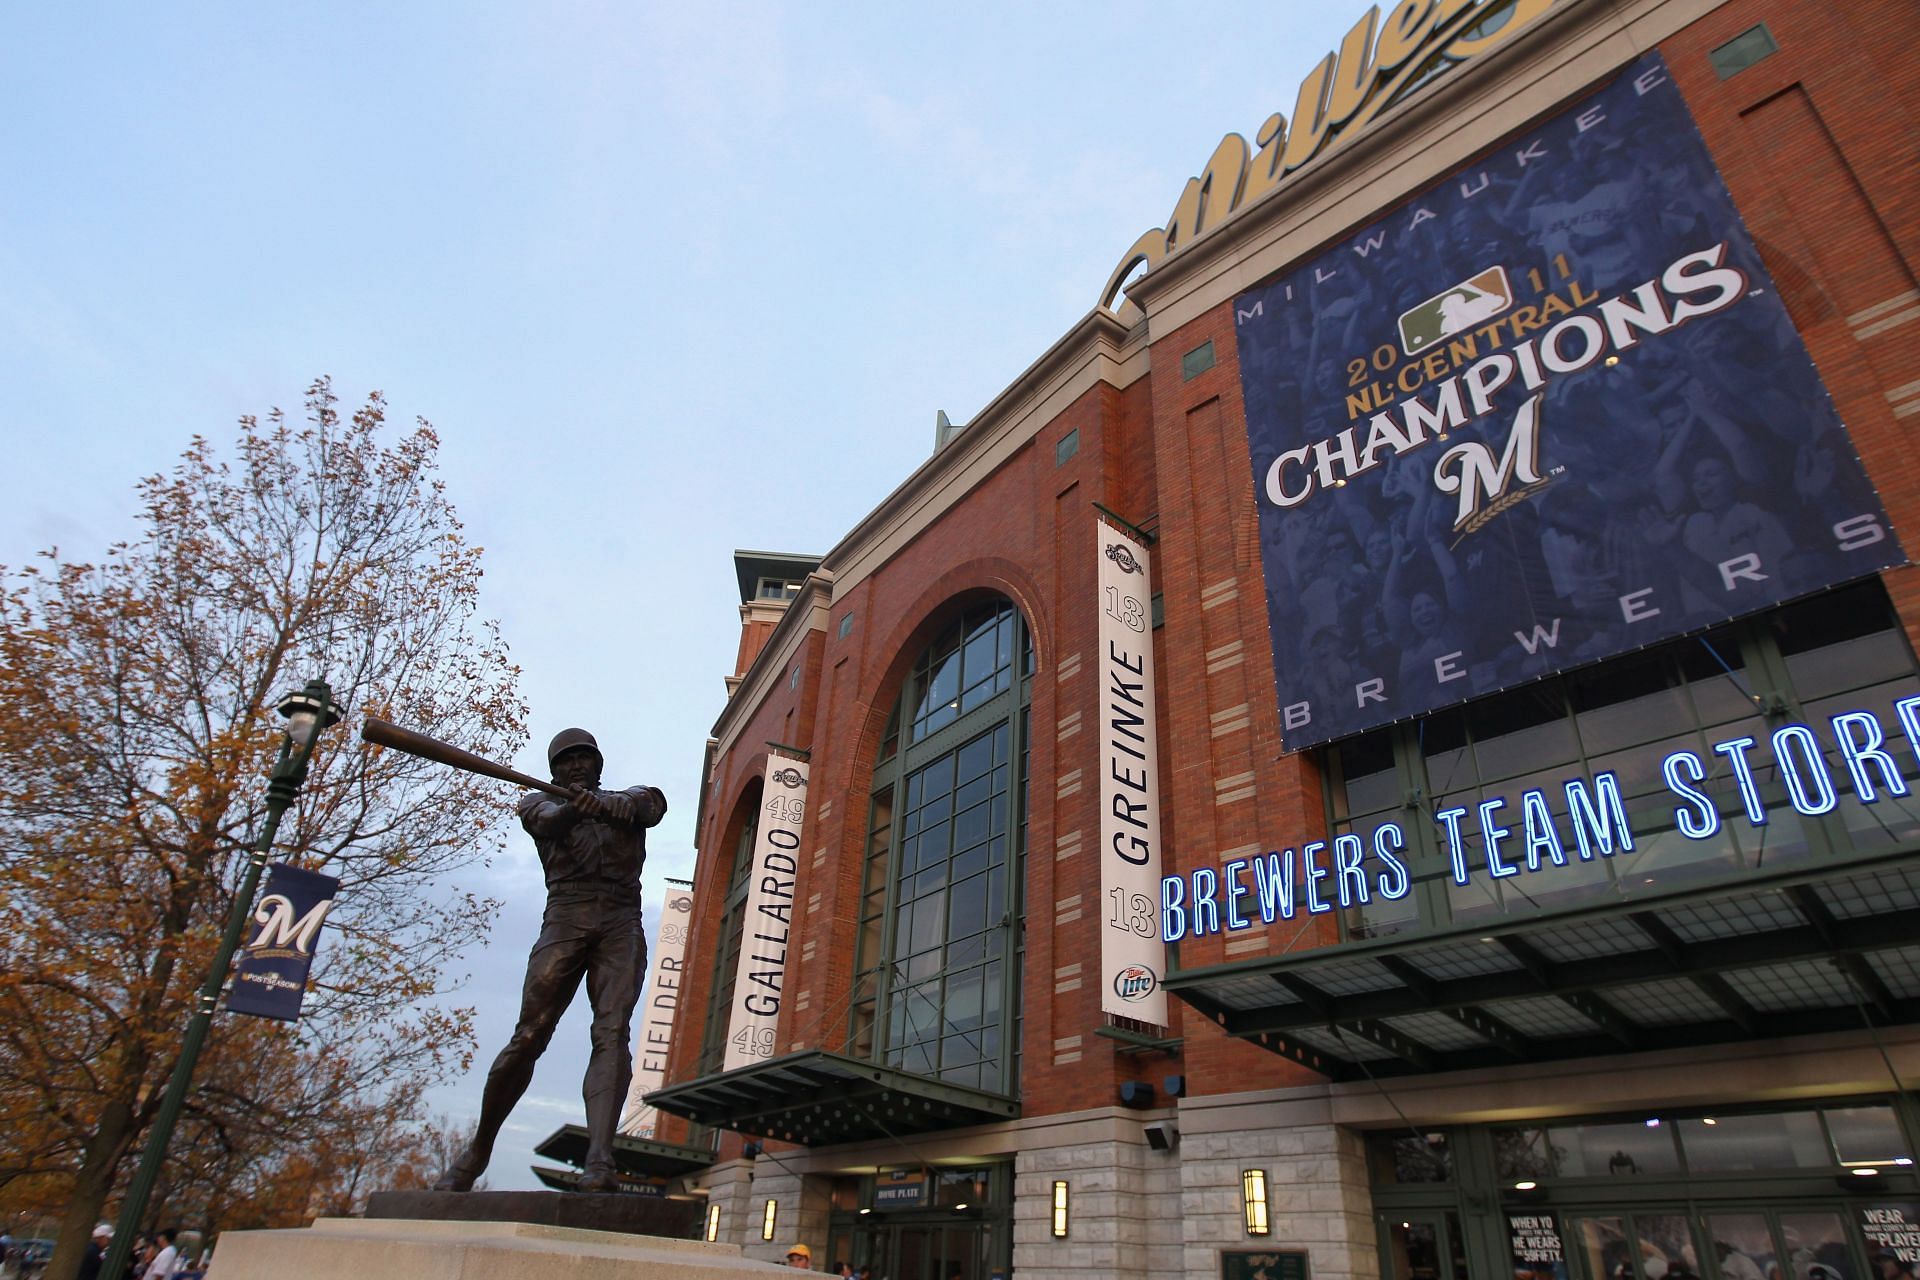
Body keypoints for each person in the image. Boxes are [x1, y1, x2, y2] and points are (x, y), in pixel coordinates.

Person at [434, 728, 667, 1193]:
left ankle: (600, 1159)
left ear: (598, 764)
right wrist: (574, 810)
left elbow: (653, 804)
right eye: (566, 761)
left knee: (611, 1031)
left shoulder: (626, 797)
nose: (576, 766)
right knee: (530, 1034)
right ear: (553, 769)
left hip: (621, 918)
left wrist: (621, 805)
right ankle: (479, 1148)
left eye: (584, 758)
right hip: (566, 916)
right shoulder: (537, 803)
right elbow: (545, 823)